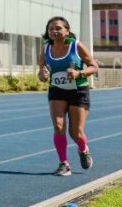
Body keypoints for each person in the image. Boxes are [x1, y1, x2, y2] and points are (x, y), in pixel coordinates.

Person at [38, 16, 98, 176]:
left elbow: (94, 66)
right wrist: (42, 74)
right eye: (51, 29)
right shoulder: (45, 49)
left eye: (58, 28)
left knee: (75, 132)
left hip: (78, 91)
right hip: (56, 90)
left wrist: (80, 73)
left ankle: (83, 149)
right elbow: (41, 74)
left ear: (67, 31)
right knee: (58, 126)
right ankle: (64, 164)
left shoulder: (76, 46)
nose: (54, 31)